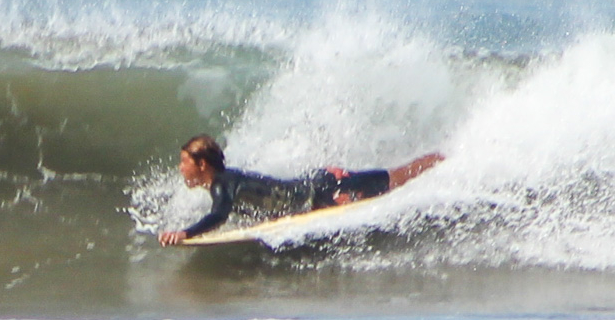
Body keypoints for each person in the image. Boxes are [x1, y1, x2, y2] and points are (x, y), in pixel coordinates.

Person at [158, 134, 444, 246]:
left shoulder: (223, 185)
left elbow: (219, 216)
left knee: (399, 177)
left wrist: (185, 233)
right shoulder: (225, 182)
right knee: (396, 177)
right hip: (317, 188)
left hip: (326, 192)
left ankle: (448, 163)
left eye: (185, 162)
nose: (181, 168)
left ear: (202, 164)